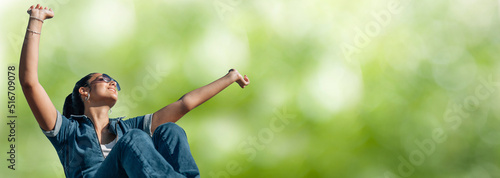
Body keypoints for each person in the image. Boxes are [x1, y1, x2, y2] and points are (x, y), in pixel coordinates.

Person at [19, 4, 250, 178]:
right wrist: (36, 21)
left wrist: (228, 78)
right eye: (104, 79)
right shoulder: (68, 132)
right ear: (84, 91)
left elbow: (184, 104)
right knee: (134, 140)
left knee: (169, 130)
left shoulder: (126, 128)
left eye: (114, 81)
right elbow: (30, 83)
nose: (112, 83)